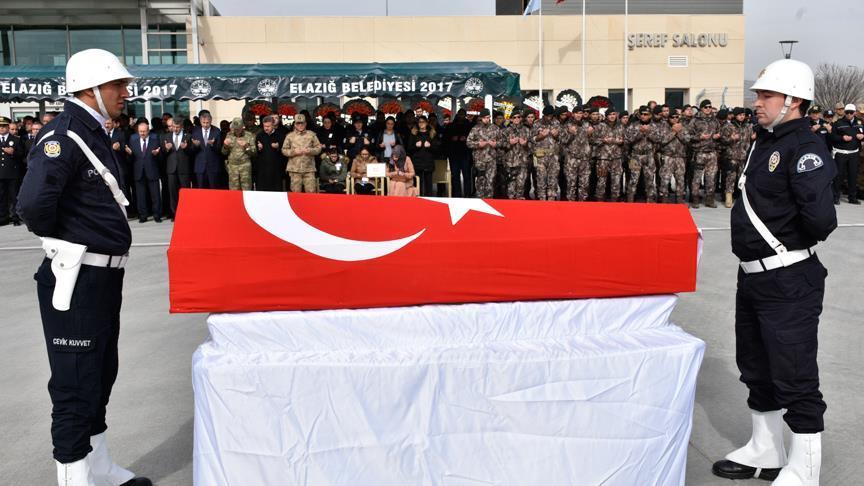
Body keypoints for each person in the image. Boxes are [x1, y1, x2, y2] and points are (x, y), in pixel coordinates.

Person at [16, 48, 151, 486]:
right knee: (75, 382)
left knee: (100, 373)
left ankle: (99, 467)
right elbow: (33, 205)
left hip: (102, 276)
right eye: (117, 85)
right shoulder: (64, 135)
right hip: (77, 275)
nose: (125, 92)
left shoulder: (92, 132)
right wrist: (66, 240)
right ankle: (74, 477)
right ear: (90, 89)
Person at [712, 59, 836, 486]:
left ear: (793, 101)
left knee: (794, 374)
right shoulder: (764, 141)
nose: (757, 102)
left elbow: (821, 220)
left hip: (788, 278)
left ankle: (804, 470)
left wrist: (787, 244)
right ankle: (766, 449)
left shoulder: (805, 147)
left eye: (766, 95)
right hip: (752, 276)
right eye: (758, 95)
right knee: (756, 366)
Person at [125, 120, 163, 223]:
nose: (142, 133)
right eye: (140, 131)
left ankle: (157, 215)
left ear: (148, 130)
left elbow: (161, 157)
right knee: (140, 196)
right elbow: (130, 160)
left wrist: (157, 154)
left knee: (155, 195)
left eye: (144, 131)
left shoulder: (155, 138)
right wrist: (129, 154)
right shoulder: (133, 139)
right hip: (138, 171)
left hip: (152, 170)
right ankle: (143, 216)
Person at [689, 99, 722, 208]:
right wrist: (700, 137)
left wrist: (717, 136)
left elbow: (720, 132)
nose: (708, 109)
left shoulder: (715, 120)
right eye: (706, 107)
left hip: (712, 153)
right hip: (699, 153)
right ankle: (695, 199)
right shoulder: (695, 120)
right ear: (701, 108)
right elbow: (688, 136)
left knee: (711, 178)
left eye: (710, 107)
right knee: (697, 178)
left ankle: (709, 199)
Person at [651, 111, 690, 203]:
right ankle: (664, 199)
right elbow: (661, 141)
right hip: (667, 157)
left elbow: (687, 140)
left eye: (677, 117)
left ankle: (679, 199)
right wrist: (673, 132)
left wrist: (679, 132)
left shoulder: (683, 127)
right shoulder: (663, 127)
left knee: (680, 179)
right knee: (665, 179)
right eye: (672, 117)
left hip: (680, 157)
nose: (675, 119)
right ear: (669, 118)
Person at [829, 104, 863, 204]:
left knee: (853, 175)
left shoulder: (859, 122)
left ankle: (852, 198)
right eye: (847, 112)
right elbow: (832, 137)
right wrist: (842, 138)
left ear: (855, 112)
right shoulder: (838, 123)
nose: (849, 114)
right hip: (841, 153)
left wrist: (862, 136)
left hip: (854, 153)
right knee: (839, 175)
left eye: (851, 112)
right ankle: (835, 197)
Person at [720, 107, 754, 208]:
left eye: (743, 115)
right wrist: (731, 138)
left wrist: (753, 137)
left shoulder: (748, 126)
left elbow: (751, 138)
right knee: (730, 178)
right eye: (740, 115)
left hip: (744, 156)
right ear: (735, 115)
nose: (742, 117)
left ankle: (742, 198)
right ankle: (728, 197)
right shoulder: (729, 126)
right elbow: (723, 140)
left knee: (742, 178)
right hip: (732, 156)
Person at [161, 115, 193, 217]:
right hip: (171, 169)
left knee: (186, 192)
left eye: (177, 127)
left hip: (184, 169)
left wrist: (186, 148)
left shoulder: (188, 136)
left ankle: (186, 212)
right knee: (173, 193)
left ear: (182, 126)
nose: (175, 129)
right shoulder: (166, 136)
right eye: (174, 126)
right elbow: (162, 152)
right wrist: (166, 149)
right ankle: (175, 214)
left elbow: (192, 153)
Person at [466, 109, 502, 199]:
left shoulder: (495, 128)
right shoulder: (475, 129)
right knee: (480, 182)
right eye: (485, 117)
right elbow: (468, 143)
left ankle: (489, 200)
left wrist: (496, 144)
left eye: (488, 117)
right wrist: (478, 144)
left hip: (491, 160)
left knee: (490, 181)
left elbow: (502, 141)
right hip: (480, 161)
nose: (487, 119)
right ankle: (480, 200)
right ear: (481, 118)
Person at [281, 113, 321, 193]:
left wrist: (310, 151)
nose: (300, 125)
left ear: (305, 123)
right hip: (295, 169)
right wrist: (294, 152)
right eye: (298, 123)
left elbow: (318, 148)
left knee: (311, 193)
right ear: (295, 124)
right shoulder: (289, 136)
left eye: (302, 123)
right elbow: (284, 150)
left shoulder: (312, 135)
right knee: (296, 193)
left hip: (309, 169)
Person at [591, 107, 625, 201]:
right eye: (610, 114)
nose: (612, 116)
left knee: (616, 182)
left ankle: (615, 201)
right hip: (603, 159)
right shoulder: (600, 126)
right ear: (606, 116)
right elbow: (592, 140)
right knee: (601, 181)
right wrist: (603, 140)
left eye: (613, 114)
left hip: (616, 159)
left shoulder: (620, 126)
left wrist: (621, 142)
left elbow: (626, 140)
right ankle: (600, 201)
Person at [624, 106, 657, 203]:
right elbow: (628, 139)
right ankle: (630, 201)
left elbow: (659, 139)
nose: (643, 116)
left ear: (650, 115)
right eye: (641, 114)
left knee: (650, 179)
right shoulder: (633, 125)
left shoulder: (654, 126)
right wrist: (640, 133)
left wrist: (648, 132)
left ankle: (650, 201)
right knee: (633, 180)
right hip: (635, 156)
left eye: (646, 114)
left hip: (649, 156)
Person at [530, 106, 562, 200]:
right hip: (540, 156)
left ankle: (551, 201)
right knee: (541, 179)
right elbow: (532, 139)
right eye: (547, 115)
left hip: (553, 156)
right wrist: (541, 136)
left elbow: (562, 139)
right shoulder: (537, 123)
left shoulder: (556, 123)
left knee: (553, 179)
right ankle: (542, 200)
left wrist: (556, 136)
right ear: (544, 115)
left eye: (551, 116)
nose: (549, 117)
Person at [406, 115, 440, 197]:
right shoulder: (414, 134)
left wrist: (430, 146)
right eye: (419, 122)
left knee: (429, 184)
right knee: (418, 184)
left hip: (428, 162)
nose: (421, 123)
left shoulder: (432, 134)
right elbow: (409, 149)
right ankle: (419, 199)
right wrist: (415, 146)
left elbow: (437, 149)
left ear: (427, 123)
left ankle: (429, 200)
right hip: (417, 162)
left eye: (423, 122)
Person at [501, 110, 532, 200]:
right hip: (511, 162)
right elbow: (501, 145)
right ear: (511, 119)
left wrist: (525, 144)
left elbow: (532, 145)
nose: (517, 119)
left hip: (523, 161)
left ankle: (519, 201)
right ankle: (511, 201)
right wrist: (509, 143)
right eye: (514, 117)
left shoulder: (526, 130)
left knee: (521, 183)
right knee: (511, 183)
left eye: (519, 117)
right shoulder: (506, 131)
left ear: (521, 118)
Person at [0, 116, 24, 225]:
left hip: (12, 173)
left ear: (8, 127)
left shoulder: (15, 139)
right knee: (1, 196)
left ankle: (15, 217)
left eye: (4, 126)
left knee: (14, 196)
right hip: (0, 173)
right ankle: (3, 218)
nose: (1, 128)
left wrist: (13, 152)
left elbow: (22, 154)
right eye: (0, 126)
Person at [221, 117, 257, 191]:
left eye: (238, 129)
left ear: (242, 127)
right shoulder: (229, 135)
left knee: (246, 189)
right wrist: (225, 146)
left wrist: (246, 146)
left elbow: (254, 153)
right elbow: (224, 152)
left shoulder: (249, 135)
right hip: (232, 167)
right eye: (234, 129)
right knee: (233, 190)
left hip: (245, 166)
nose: (236, 130)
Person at [443, 109, 472, 197]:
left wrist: (466, 138)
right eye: (460, 114)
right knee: (455, 176)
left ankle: (467, 195)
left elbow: (473, 139)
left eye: (463, 114)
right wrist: (452, 138)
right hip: (454, 154)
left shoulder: (469, 126)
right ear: (457, 115)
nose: (461, 116)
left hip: (465, 154)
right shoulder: (451, 126)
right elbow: (445, 139)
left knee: (466, 175)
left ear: (465, 115)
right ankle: (456, 194)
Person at [190, 110, 222, 189]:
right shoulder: (195, 132)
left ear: (211, 121)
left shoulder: (217, 131)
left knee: (213, 190)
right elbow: (191, 151)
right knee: (201, 191)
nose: (205, 125)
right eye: (203, 123)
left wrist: (212, 145)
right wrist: (195, 146)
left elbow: (219, 150)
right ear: (200, 122)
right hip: (200, 167)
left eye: (207, 123)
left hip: (213, 167)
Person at [254, 115, 287, 191]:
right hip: (263, 169)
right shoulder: (260, 135)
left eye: (268, 126)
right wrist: (259, 148)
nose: (266, 128)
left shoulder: (280, 135)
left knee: (276, 190)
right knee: (263, 190)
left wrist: (278, 147)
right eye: (264, 126)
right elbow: (255, 153)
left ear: (273, 125)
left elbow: (285, 152)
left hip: (276, 169)